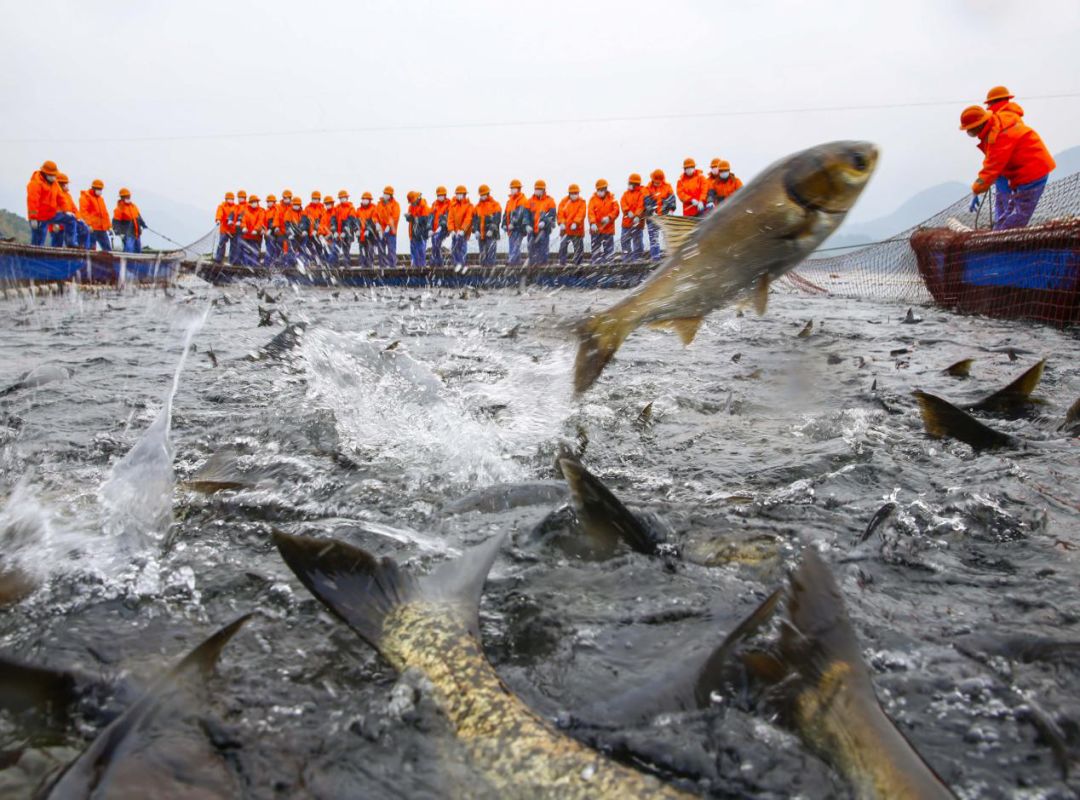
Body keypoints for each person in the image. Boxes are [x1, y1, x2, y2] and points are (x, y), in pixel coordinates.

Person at [959, 104, 1055, 230]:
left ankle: (1001, 243)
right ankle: (998, 235)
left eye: (971, 131)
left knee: (1018, 215)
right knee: (1008, 213)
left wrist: (976, 189)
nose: (972, 135)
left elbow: (990, 169)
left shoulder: (998, 137)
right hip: (1021, 174)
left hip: (1032, 172)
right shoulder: (1000, 119)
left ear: (979, 125)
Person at [26, 161, 72, 248]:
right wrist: (33, 218)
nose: (54, 177)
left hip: (49, 216)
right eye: (52, 175)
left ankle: (72, 244)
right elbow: (33, 201)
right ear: (45, 173)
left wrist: (65, 211)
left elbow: (61, 198)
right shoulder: (36, 183)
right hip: (38, 218)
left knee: (70, 220)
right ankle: (33, 258)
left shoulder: (54, 184)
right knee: (37, 242)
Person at [644, 168, 675, 261]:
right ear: (652, 179)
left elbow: (673, 199)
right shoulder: (647, 188)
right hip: (652, 218)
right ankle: (655, 258)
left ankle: (670, 258)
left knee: (668, 237)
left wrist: (671, 209)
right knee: (654, 239)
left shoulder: (668, 186)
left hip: (665, 217)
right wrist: (650, 209)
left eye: (659, 181)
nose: (657, 183)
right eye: (655, 181)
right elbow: (646, 201)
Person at [588, 179, 619, 265]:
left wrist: (609, 217)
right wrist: (593, 223)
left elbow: (616, 210)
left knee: (609, 253)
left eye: (602, 190)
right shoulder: (592, 200)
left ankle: (609, 268)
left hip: (608, 230)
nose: (600, 191)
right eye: (599, 190)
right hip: (596, 230)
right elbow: (590, 212)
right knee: (595, 252)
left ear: (606, 189)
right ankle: (595, 267)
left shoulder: (613, 198)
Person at [526, 180, 556, 266]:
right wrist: (527, 224)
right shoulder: (529, 201)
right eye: (536, 189)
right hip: (532, 231)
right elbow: (526, 215)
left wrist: (544, 222)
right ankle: (532, 268)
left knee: (543, 250)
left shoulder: (550, 201)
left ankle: (543, 268)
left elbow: (552, 215)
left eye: (539, 189)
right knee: (531, 249)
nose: (537, 190)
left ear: (543, 190)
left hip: (544, 231)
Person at [557, 184, 586, 266]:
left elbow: (581, 214)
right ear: (569, 193)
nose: (574, 195)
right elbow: (560, 213)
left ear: (578, 193)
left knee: (578, 250)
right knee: (562, 248)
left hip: (577, 231)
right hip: (565, 231)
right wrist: (561, 222)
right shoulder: (563, 202)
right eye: (572, 193)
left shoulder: (582, 202)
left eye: (576, 193)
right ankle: (562, 265)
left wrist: (576, 223)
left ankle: (578, 266)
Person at [473, 185, 501, 267]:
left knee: (491, 256)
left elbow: (497, 219)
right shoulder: (477, 207)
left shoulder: (495, 205)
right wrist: (476, 230)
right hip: (481, 236)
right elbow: (474, 221)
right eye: (481, 195)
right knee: (483, 257)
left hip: (492, 235)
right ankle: (484, 277)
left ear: (488, 193)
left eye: (484, 194)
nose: (483, 196)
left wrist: (491, 230)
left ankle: (491, 276)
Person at [620, 173, 646, 261]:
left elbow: (641, 205)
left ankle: (638, 261)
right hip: (626, 224)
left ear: (635, 184)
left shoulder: (642, 193)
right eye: (629, 183)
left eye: (631, 183)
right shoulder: (625, 194)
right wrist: (628, 211)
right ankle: (626, 261)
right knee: (624, 243)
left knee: (638, 244)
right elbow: (623, 203)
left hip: (637, 224)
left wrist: (637, 216)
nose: (629, 185)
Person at [80, 179, 111, 251]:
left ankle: (106, 262)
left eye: (101, 189)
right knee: (91, 249)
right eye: (99, 189)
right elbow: (84, 212)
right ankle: (88, 262)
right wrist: (88, 225)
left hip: (102, 229)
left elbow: (105, 214)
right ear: (93, 188)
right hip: (92, 229)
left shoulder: (101, 199)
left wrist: (109, 226)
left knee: (107, 249)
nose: (100, 191)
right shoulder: (86, 197)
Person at [112, 188, 146, 253]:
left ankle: (137, 262)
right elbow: (115, 222)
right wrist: (119, 232)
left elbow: (138, 216)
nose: (128, 197)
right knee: (129, 249)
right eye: (125, 196)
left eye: (128, 196)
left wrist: (143, 224)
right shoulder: (119, 209)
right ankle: (127, 262)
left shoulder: (133, 206)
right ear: (122, 197)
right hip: (127, 233)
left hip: (136, 232)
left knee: (138, 250)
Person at [448, 185, 474, 270]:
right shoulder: (453, 206)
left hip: (463, 233)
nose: (459, 195)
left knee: (462, 249)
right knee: (454, 249)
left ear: (464, 194)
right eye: (457, 194)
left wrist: (463, 230)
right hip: (455, 233)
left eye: (461, 194)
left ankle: (462, 265)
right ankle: (455, 265)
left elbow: (468, 218)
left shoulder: (469, 206)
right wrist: (451, 230)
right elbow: (450, 219)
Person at [53, 174, 81, 248]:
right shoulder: (54, 194)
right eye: (66, 183)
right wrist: (54, 224)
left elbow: (75, 209)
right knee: (56, 246)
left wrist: (77, 218)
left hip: (67, 226)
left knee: (69, 245)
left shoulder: (68, 196)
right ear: (61, 184)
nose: (67, 185)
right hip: (57, 226)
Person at [505, 179, 529, 266]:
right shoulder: (510, 201)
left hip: (519, 228)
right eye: (511, 188)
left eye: (514, 188)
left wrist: (513, 223)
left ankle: (512, 261)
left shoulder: (523, 200)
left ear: (519, 189)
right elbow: (506, 214)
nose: (512, 190)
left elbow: (519, 214)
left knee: (515, 244)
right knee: (513, 244)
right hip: (511, 229)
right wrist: (505, 224)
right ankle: (516, 261)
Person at [375, 186, 400, 268]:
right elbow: (375, 215)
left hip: (391, 232)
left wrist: (389, 226)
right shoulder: (379, 204)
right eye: (384, 193)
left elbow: (395, 216)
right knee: (381, 250)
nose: (385, 195)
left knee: (391, 250)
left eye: (387, 194)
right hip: (381, 232)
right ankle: (382, 266)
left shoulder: (395, 205)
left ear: (391, 195)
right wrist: (376, 223)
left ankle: (392, 267)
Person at [407, 191, 431, 267]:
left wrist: (414, 219)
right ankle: (414, 265)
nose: (412, 203)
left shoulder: (425, 207)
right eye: (411, 202)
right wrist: (409, 217)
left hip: (422, 233)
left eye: (413, 202)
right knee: (413, 250)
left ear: (417, 198)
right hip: (413, 232)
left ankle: (421, 268)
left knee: (421, 250)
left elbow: (425, 220)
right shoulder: (411, 206)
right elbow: (411, 219)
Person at [239, 195, 265, 266]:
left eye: (256, 202)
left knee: (255, 252)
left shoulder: (261, 211)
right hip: (246, 236)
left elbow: (261, 221)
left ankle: (254, 267)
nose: (254, 203)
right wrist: (243, 227)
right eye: (253, 202)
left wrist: (256, 230)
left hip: (256, 237)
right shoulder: (245, 210)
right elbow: (242, 220)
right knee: (246, 252)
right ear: (250, 202)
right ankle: (245, 267)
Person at [284, 196, 310, 263]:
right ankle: (290, 265)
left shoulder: (303, 213)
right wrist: (290, 233)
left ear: (300, 205)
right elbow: (287, 224)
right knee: (291, 249)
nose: (296, 206)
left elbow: (307, 223)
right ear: (292, 204)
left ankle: (304, 263)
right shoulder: (289, 212)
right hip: (293, 235)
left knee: (303, 248)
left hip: (302, 235)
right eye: (295, 204)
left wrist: (305, 230)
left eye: (298, 204)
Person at [354, 192, 377, 268]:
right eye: (363, 199)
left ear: (370, 200)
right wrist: (356, 229)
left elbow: (374, 220)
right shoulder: (358, 210)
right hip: (361, 235)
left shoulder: (374, 208)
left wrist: (368, 230)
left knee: (370, 250)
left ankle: (370, 265)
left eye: (366, 199)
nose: (364, 200)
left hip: (371, 235)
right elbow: (356, 221)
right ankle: (363, 265)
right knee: (362, 250)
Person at [429, 187, 451, 267]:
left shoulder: (449, 203)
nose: (440, 196)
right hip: (435, 230)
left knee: (437, 241)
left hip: (444, 229)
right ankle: (435, 262)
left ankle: (438, 263)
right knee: (434, 243)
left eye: (442, 195)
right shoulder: (434, 204)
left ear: (445, 195)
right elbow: (430, 216)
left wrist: (442, 225)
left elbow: (448, 216)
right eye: (438, 195)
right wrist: (429, 228)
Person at [214, 191, 237, 263]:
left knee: (234, 246)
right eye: (229, 198)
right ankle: (218, 259)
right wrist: (218, 219)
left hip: (233, 230)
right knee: (221, 244)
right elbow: (219, 213)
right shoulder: (222, 206)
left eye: (232, 199)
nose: (231, 200)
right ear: (226, 199)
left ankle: (232, 261)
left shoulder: (236, 207)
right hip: (224, 229)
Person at [334, 191, 355, 265]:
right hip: (338, 233)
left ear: (347, 198)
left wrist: (344, 232)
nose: (342, 199)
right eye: (341, 198)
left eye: (343, 198)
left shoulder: (351, 208)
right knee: (335, 249)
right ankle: (334, 265)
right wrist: (334, 231)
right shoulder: (336, 208)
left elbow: (350, 221)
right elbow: (333, 220)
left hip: (347, 233)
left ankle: (347, 265)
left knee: (346, 249)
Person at [263, 194, 280, 264]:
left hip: (275, 233)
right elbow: (263, 222)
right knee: (269, 249)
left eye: (271, 201)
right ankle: (267, 264)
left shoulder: (276, 209)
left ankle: (273, 264)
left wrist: (271, 228)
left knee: (275, 249)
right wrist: (264, 230)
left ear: (274, 202)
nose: (269, 203)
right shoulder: (266, 211)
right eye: (268, 202)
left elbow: (276, 220)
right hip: (268, 234)